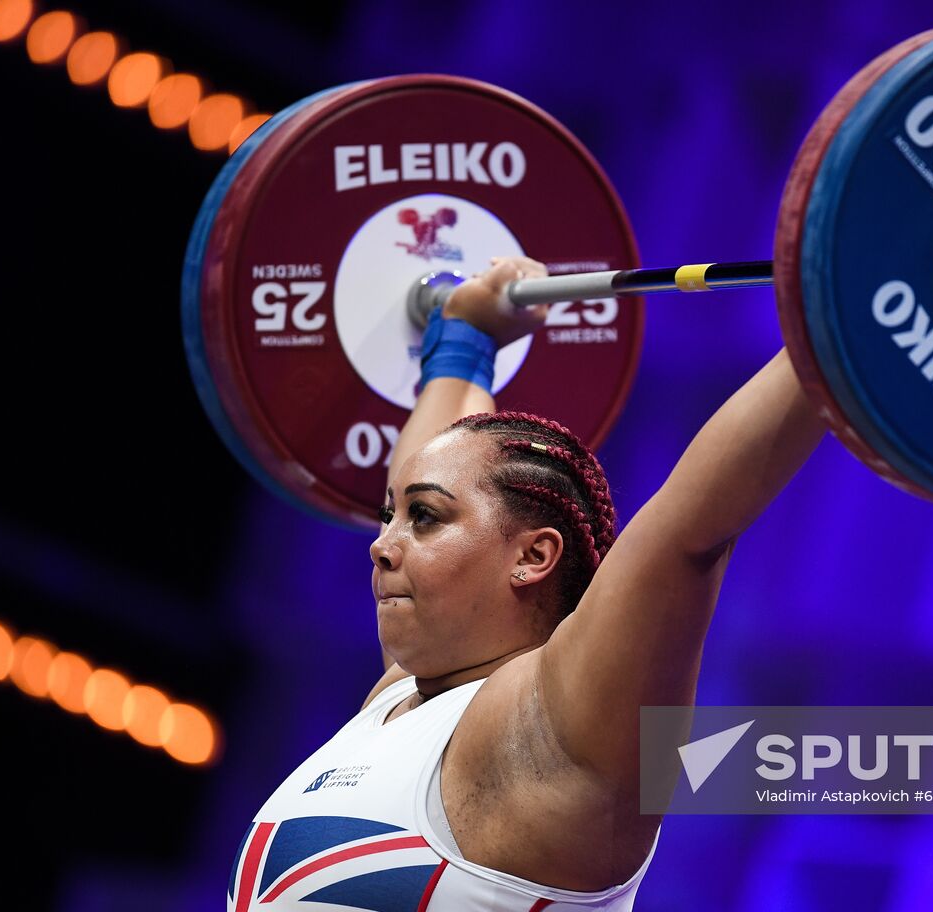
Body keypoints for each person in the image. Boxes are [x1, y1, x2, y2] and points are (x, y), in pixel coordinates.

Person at [227, 256, 830, 911]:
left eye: (423, 519)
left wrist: (834, 320)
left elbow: (690, 532)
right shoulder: (399, 699)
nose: (380, 544)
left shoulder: (556, 729)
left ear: (534, 556)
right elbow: (428, 460)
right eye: (388, 516)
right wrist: (462, 343)